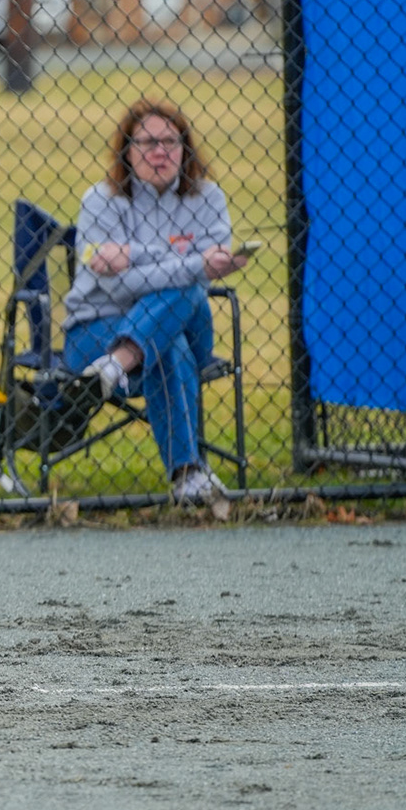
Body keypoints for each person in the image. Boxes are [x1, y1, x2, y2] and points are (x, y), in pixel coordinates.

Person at [61, 98, 254, 507]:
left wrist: (131, 257)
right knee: (169, 339)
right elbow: (112, 289)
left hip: (187, 323)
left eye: (170, 141)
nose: (160, 151)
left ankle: (117, 364)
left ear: (186, 148)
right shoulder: (99, 200)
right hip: (95, 330)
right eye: (147, 142)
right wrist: (189, 262)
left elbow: (151, 279)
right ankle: (187, 476)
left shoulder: (208, 198)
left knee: (187, 292)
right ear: (127, 150)